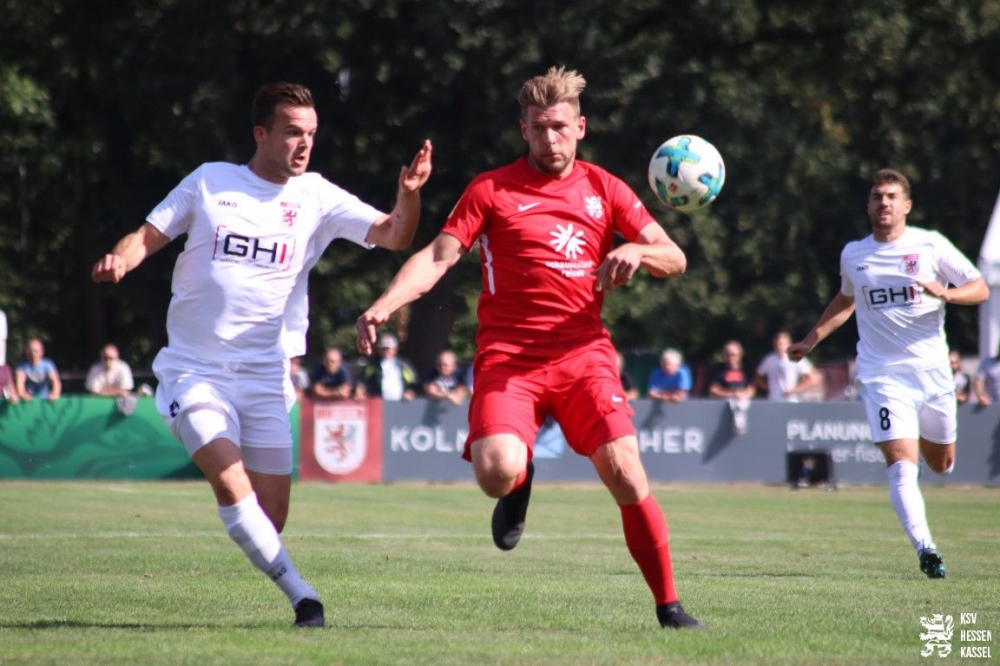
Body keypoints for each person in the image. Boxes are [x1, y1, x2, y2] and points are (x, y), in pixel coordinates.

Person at [355, 66, 702, 629]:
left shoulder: (605, 188)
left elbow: (675, 256)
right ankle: (518, 483)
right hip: (509, 359)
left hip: (583, 354)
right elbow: (438, 259)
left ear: (580, 127)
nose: (550, 139)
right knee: (495, 473)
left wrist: (637, 253)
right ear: (523, 129)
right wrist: (384, 304)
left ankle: (670, 607)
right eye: (539, 128)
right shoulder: (490, 188)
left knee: (627, 472)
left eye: (560, 127)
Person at [91, 81, 433, 627]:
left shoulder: (317, 195)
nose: (304, 144)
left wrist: (409, 192)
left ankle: (271, 557)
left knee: (269, 519)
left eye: (312, 134)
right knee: (231, 483)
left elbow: (396, 236)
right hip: (194, 371)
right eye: (293, 132)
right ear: (261, 134)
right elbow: (145, 235)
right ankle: (305, 600)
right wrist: (121, 260)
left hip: (267, 375)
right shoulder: (210, 182)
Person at [788, 168, 988, 579]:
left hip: (932, 374)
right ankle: (926, 548)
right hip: (882, 376)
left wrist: (947, 293)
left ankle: (929, 465)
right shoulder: (854, 254)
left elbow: (980, 287)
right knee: (900, 464)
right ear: (868, 205)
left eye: (892, 196)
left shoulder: (930, 245)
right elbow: (846, 300)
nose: (884, 203)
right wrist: (811, 339)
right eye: (877, 196)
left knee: (942, 463)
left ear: (906, 205)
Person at [754, 330, 819, 402]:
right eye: (776, 344)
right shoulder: (769, 359)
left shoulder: (795, 357)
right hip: (773, 401)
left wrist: (794, 390)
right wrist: (768, 387)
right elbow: (757, 376)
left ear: (788, 344)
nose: (778, 347)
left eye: (780, 344)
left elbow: (812, 378)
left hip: (791, 401)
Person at [707, 340, 755, 434]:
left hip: (743, 402)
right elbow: (713, 390)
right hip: (724, 404)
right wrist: (732, 394)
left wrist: (743, 395)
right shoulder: (718, 370)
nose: (730, 357)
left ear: (739, 355)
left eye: (733, 354)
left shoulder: (746, 370)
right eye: (727, 354)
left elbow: (751, 389)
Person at [352, 333, 418, 401]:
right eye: (382, 348)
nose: (385, 351)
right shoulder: (373, 365)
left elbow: (413, 381)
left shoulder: (404, 365)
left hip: (401, 403)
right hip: (378, 404)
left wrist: (410, 392)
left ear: (395, 349)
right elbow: (363, 380)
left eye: (388, 348)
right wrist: (360, 391)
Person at [15, 338, 62, 402]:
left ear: (41, 352)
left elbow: (56, 382)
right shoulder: (21, 366)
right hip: (27, 401)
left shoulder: (48, 364)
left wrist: (55, 394)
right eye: (30, 351)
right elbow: (20, 385)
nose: (32, 353)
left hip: (45, 400)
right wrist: (23, 394)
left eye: (35, 351)